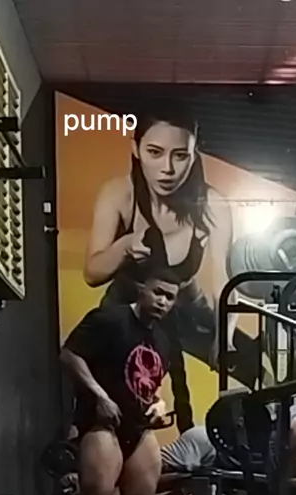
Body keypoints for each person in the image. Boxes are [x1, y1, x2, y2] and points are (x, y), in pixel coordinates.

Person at [82, 103, 258, 391]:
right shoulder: (119, 194)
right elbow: (92, 273)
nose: (168, 169)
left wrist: (224, 339)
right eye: (155, 152)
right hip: (129, 306)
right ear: (136, 149)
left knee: (254, 362)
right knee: (97, 378)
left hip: (186, 307)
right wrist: (124, 246)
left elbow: (224, 285)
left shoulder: (212, 204)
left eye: (180, 155)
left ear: (194, 155)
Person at [60, 263, 181, 495]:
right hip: (103, 426)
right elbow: (70, 354)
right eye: (158, 292)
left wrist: (159, 404)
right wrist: (100, 396)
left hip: (139, 430)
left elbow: (153, 384)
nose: (162, 301)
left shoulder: (163, 340)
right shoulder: (109, 319)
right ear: (142, 289)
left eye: (170, 297)